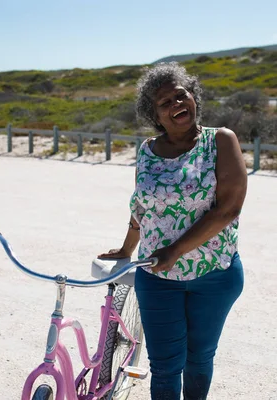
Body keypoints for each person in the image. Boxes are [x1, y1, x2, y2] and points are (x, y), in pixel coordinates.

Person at [99, 62, 247, 400]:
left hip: (214, 274)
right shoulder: (147, 151)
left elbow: (229, 208)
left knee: (199, 359)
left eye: (181, 96)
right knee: (164, 367)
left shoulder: (220, 141)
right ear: (155, 114)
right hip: (156, 277)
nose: (176, 105)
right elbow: (141, 208)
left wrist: (174, 251)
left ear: (194, 97)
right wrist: (126, 249)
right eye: (165, 103)